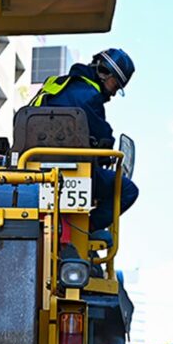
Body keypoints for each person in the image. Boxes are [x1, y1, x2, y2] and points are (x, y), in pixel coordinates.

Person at [29, 48, 140, 235]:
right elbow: (103, 137)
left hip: (30, 167)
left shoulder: (57, 84)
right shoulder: (90, 96)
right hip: (70, 170)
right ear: (105, 73)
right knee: (128, 190)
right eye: (116, 85)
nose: (113, 94)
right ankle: (83, 230)